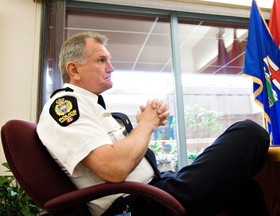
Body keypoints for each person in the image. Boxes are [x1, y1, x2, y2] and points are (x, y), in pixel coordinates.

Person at [37, 32, 270, 216]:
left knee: (246, 190)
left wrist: (143, 126)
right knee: (249, 132)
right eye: (101, 60)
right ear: (74, 69)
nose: (111, 67)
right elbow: (113, 169)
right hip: (139, 205)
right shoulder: (66, 105)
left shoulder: (94, 107)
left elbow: (122, 160)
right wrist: (146, 124)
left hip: (156, 189)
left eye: (109, 60)